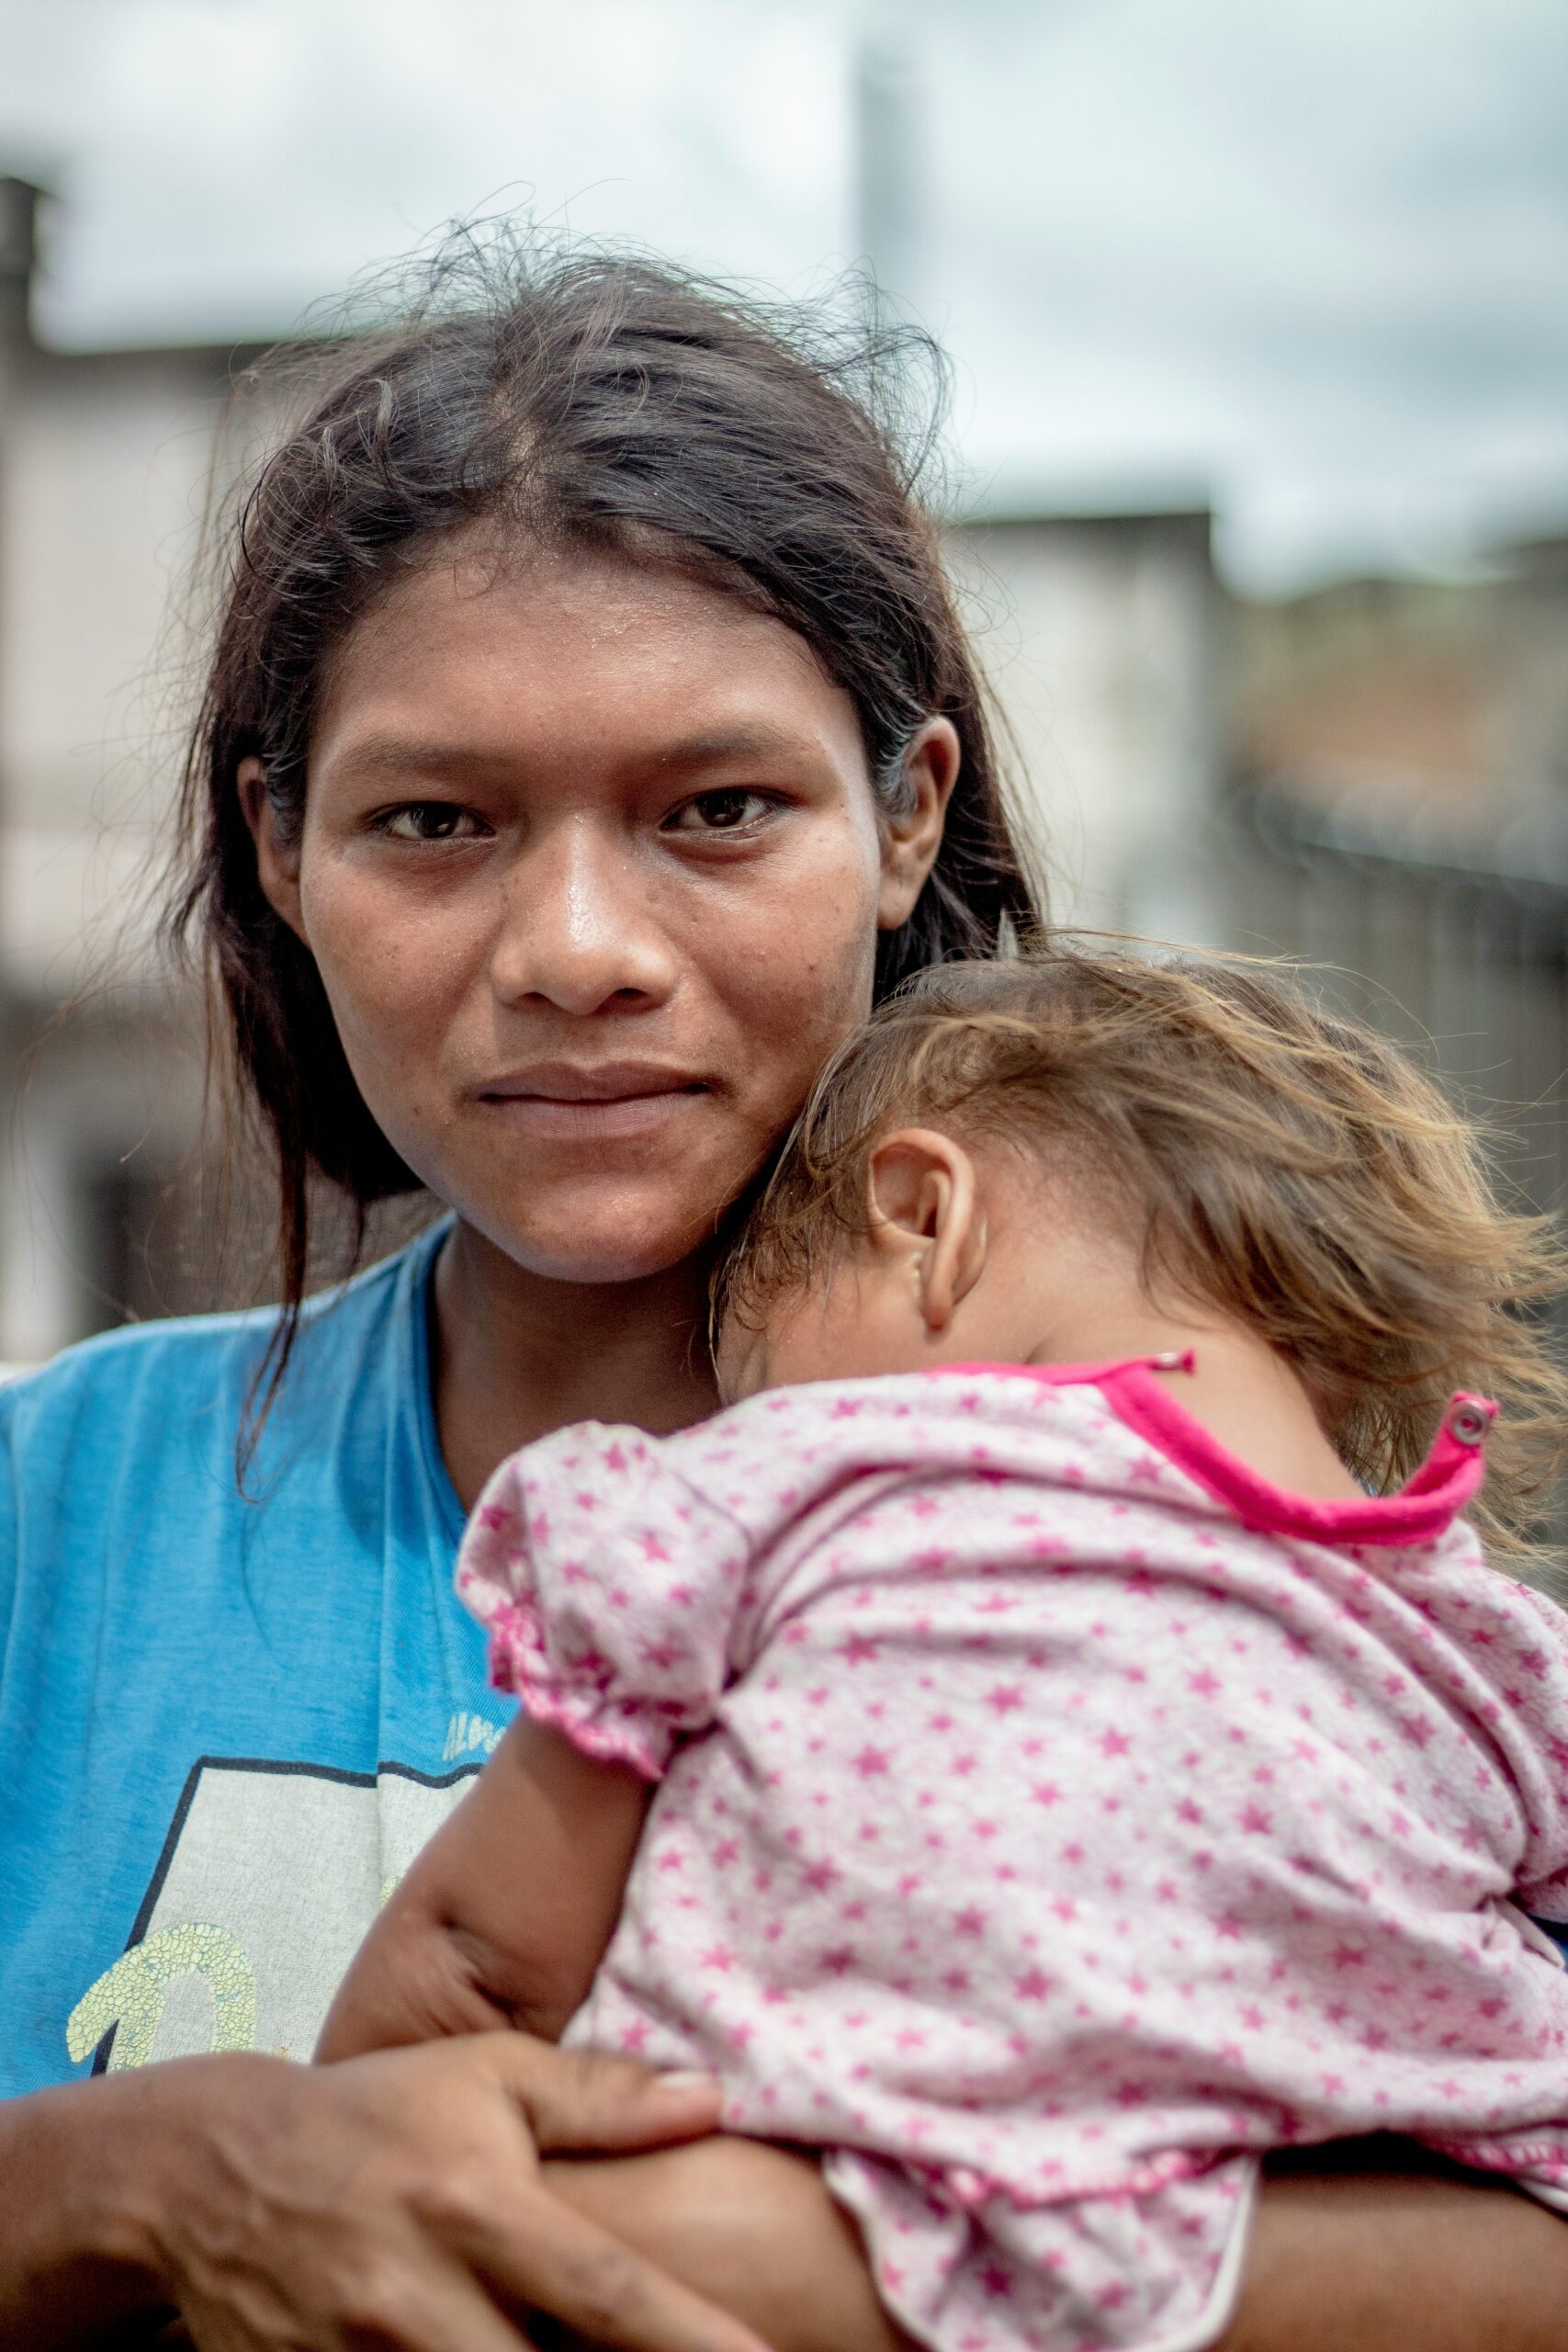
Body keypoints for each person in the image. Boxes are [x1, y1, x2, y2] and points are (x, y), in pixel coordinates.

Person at [2, 240, 1567, 2352]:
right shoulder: (53, 1513)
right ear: (281, 850)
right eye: (433, 819)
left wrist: (784, 2267)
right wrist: (145, 2171)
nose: (576, 945)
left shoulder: (1283, 1566)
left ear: (906, 813)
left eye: (716, 808)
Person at [319, 950, 1568, 2350]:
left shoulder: (791, 1481)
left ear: (923, 1216)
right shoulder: (1480, 1646)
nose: (736, 1415)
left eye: (756, 1364)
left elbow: (483, 1953)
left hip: (803, 2213)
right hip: (1339, 2247)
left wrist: (337, 2176)